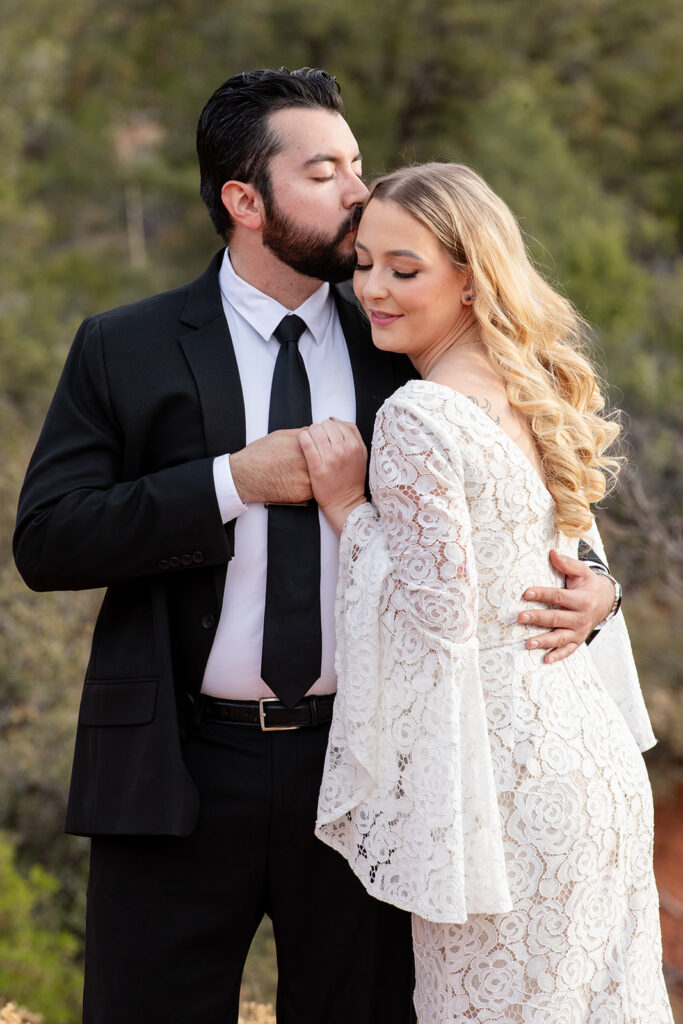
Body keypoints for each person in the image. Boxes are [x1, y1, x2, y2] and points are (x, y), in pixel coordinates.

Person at [13, 69, 618, 1024]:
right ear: (244, 200)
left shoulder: (400, 337)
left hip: (370, 765)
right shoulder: (121, 347)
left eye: (359, 166)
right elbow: (46, 541)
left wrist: (600, 590)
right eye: (325, 171)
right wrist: (231, 482)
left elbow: (526, 491)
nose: (357, 193)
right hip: (177, 767)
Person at [303, 163, 672, 1022]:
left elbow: (432, 620)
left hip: (503, 783)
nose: (372, 290)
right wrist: (605, 596)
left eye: (405, 268)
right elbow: (572, 559)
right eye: (363, 264)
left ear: (469, 277)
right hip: (593, 760)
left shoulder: (416, 415)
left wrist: (348, 510)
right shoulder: (532, 388)